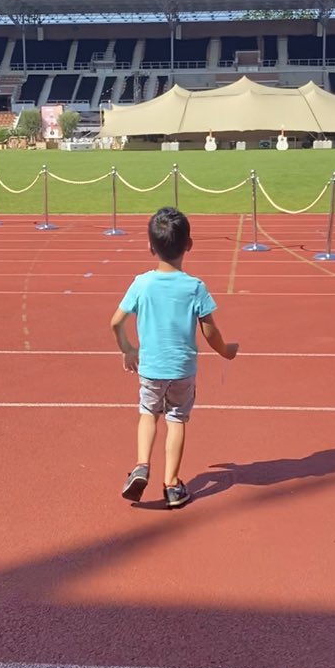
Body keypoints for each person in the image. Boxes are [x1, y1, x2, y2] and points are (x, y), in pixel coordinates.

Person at [111, 207, 238, 508]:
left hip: (151, 368)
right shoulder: (195, 287)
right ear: (189, 245)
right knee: (177, 419)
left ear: (150, 247)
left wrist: (128, 349)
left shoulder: (141, 283)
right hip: (182, 370)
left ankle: (142, 465)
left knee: (147, 413)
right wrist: (226, 351)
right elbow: (210, 332)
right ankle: (171, 485)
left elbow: (115, 322)